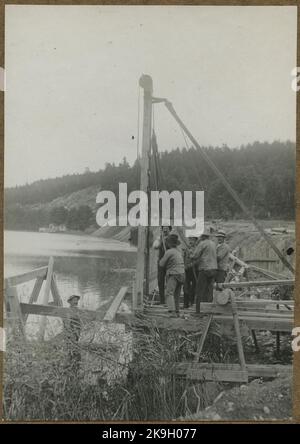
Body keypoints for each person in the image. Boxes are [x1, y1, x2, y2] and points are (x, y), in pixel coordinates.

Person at [191, 227, 217, 313]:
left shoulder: (202, 244)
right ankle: (209, 309)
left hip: (205, 269)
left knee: (200, 290)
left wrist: (190, 255)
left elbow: (195, 255)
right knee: (209, 290)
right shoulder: (213, 243)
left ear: (202, 236)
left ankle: (198, 310)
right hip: (213, 269)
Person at [159, 231, 185, 317]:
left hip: (174, 274)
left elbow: (161, 264)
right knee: (176, 294)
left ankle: (172, 312)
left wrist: (162, 259)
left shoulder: (169, 252)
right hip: (182, 274)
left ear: (169, 243)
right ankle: (177, 311)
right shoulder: (178, 251)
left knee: (169, 293)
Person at [153, 225, 172, 304]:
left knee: (169, 282)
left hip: (170, 264)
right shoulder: (160, 238)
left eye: (167, 229)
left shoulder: (172, 239)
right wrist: (160, 241)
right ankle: (162, 301)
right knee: (160, 281)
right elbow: (155, 246)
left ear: (169, 230)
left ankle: (169, 301)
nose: (165, 230)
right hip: (161, 263)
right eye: (164, 229)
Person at [64, 295, 82, 374]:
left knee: (76, 340)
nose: (76, 302)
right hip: (71, 329)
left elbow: (80, 320)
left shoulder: (78, 310)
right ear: (70, 302)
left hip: (77, 328)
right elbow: (67, 321)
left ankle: (76, 361)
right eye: (74, 300)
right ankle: (71, 360)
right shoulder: (68, 310)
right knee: (71, 343)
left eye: (76, 300)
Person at [183, 236, 198, 308]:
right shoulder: (186, 249)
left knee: (194, 288)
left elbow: (197, 260)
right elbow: (184, 258)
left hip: (194, 270)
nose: (191, 241)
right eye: (190, 239)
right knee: (185, 287)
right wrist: (184, 266)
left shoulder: (198, 249)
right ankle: (185, 304)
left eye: (192, 240)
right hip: (186, 270)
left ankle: (192, 303)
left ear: (195, 241)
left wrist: (191, 265)